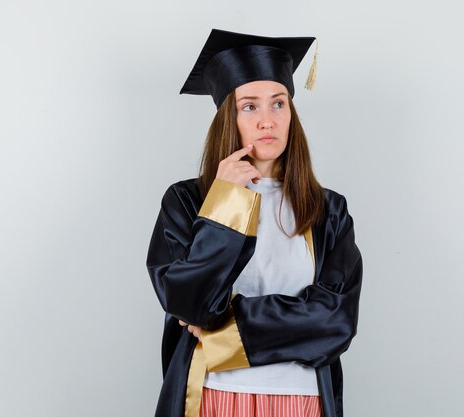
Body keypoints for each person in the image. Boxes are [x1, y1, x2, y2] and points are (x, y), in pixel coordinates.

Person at [146, 28, 363, 417]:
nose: (267, 120)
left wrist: (224, 333)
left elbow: (335, 321)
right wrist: (227, 201)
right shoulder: (187, 201)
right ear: (228, 118)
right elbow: (191, 304)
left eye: (278, 104)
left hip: (303, 400)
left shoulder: (328, 210)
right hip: (212, 395)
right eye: (250, 107)